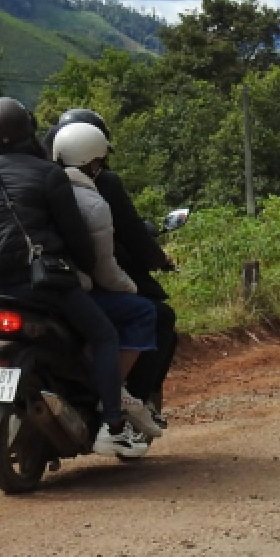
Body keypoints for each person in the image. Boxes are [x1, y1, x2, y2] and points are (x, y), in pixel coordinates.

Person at [0, 97, 148, 458]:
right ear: (28, 130)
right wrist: (85, 269)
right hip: (37, 281)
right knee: (103, 334)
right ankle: (113, 427)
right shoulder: (48, 174)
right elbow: (75, 237)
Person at [46, 108, 177, 429]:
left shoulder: (41, 177)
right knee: (156, 316)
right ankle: (124, 400)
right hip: (88, 282)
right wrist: (155, 263)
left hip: (37, 281)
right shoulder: (101, 188)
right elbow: (127, 238)